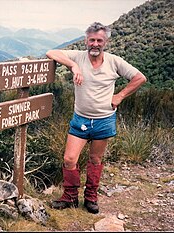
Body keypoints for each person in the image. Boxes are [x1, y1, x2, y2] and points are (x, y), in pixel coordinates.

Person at [46, 22, 147, 214]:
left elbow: (140, 78)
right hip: (81, 119)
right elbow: (51, 52)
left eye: (99, 40)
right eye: (91, 40)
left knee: (95, 159)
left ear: (105, 42)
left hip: (104, 119)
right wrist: (73, 65)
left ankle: (91, 198)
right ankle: (70, 196)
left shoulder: (114, 61)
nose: (95, 44)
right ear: (86, 40)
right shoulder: (78, 57)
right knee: (69, 159)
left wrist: (120, 96)